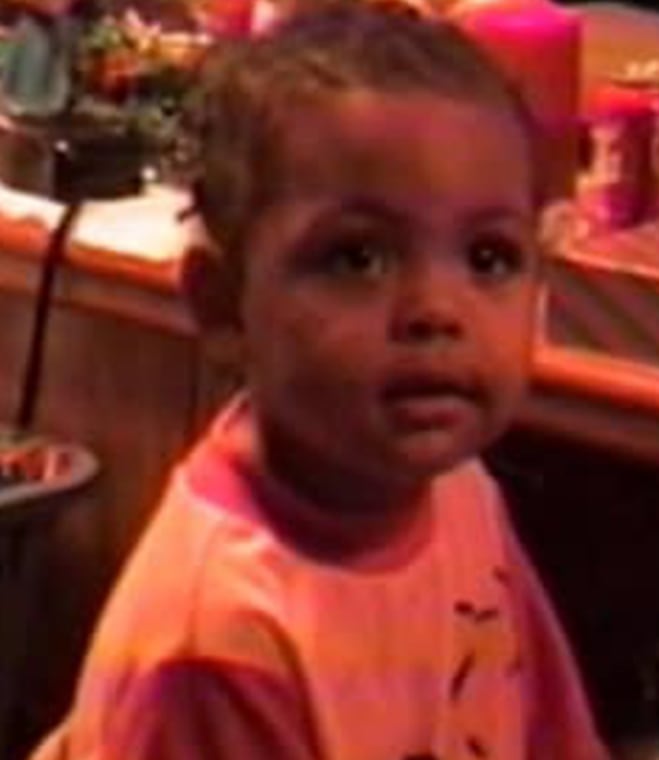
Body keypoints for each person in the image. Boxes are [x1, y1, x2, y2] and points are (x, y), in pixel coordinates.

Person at [30, 2, 608, 758]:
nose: (438, 310)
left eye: (489, 258)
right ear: (223, 304)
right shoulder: (222, 635)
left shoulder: (458, 492)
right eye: (357, 258)